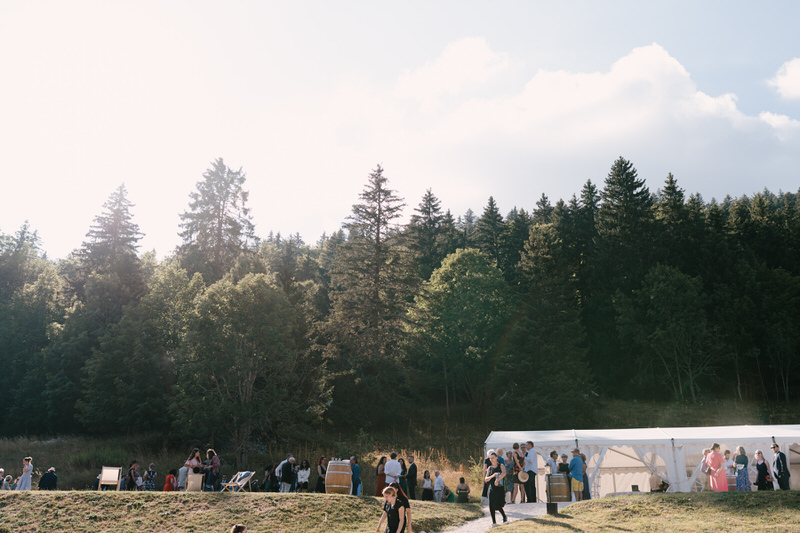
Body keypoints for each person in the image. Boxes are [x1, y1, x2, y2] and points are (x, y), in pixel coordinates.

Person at [484, 450, 507, 526]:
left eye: (493, 458)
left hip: (499, 489)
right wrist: (493, 476)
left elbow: (504, 473)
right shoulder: (489, 468)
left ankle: (504, 516)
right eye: (490, 458)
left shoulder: (501, 465)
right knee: (491, 505)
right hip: (492, 488)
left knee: (498, 505)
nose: (491, 459)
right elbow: (486, 479)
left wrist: (497, 479)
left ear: (496, 457)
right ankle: (494, 522)